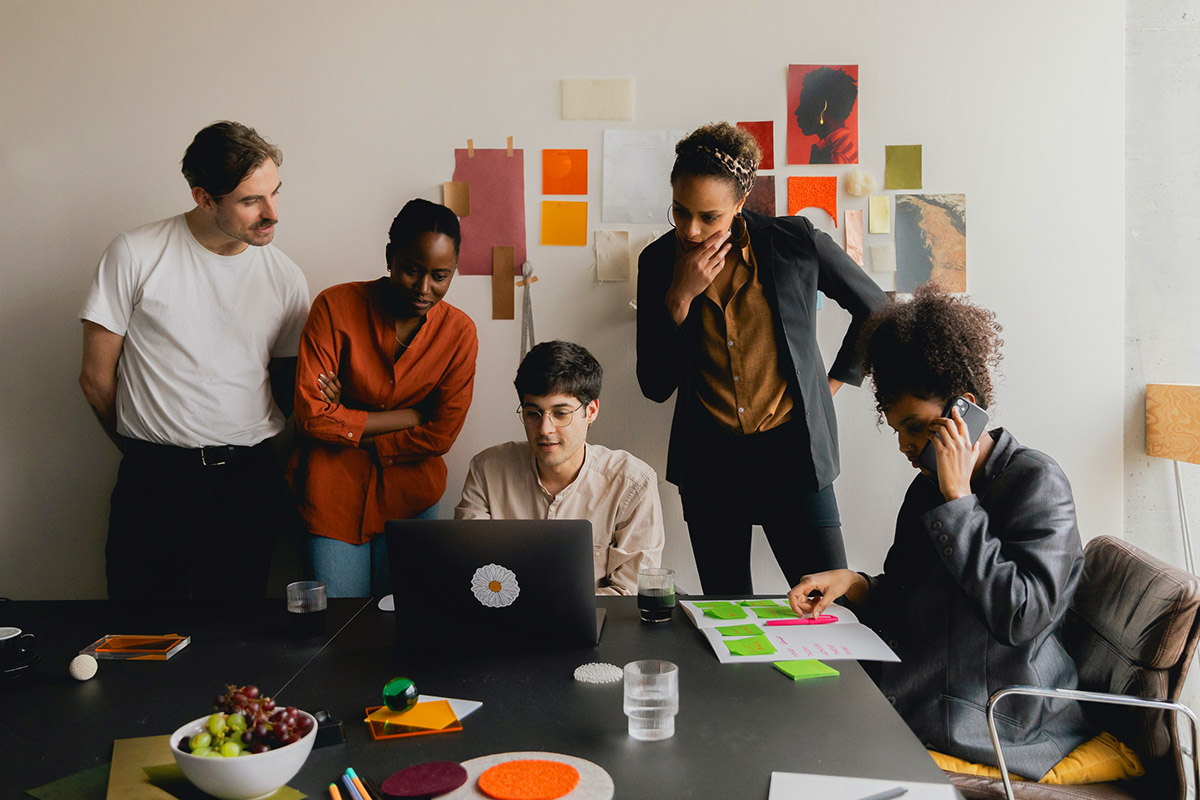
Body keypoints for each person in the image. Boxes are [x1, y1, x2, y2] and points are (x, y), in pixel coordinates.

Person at [786, 286, 1107, 781]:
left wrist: (960, 502)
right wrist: (852, 582)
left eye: (915, 428)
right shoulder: (926, 489)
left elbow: (1020, 616)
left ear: (964, 409)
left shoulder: (1037, 481)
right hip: (927, 683)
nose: (906, 447)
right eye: (898, 431)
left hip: (994, 716)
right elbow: (905, 596)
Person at [637, 122, 886, 595]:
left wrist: (830, 385)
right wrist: (677, 301)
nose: (691, 230)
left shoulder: (795, 243)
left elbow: (876, 309)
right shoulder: (656, 264)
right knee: (729, 613)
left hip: (793, 454)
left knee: (823, 604)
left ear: (739, 203)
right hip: (710, 464)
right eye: (680, 212)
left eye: (709, 216)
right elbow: (654, 384)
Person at [78, 121, 310, 600]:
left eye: (275, 194)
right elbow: (96, 380)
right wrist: (148, 451)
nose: (272, 214)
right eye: (251, 201)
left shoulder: (286, 277)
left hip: (247, 482)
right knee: (138, 639)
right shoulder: (135, 253)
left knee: (231, 646)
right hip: (155, 479)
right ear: (204, 197)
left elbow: (289, 390)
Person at [289, 199, 477, 598]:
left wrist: (347, 416)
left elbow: (441, 435)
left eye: (440, 276)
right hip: (331, 492)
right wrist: (411, 416)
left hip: (412, 497)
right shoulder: (334, 307)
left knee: (406, 622)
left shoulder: (460, 333)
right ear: (391, 257)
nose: (425, 289)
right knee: (338, 628)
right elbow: (310, 416)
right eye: (412, 270)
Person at [456, 341, 664, 595]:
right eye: (533, 413)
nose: (545, 429)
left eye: (561, 413)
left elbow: (630, 592)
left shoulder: (632, 482)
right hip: (503, 623)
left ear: (592, 411)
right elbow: (468, 569)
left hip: (596, 626)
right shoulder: (486, 470)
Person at [793, 66, 859, 164]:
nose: (796, 112)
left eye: (804, 104)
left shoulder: (837, 157)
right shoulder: (837, 149)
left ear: (821, 108)